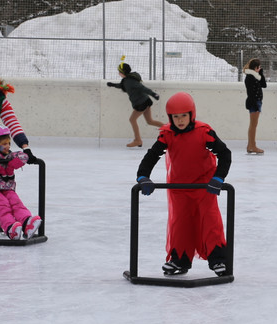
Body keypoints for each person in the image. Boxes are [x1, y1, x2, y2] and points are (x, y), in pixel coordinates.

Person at [136, 92, 232, 276]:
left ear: (191, 114)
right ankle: (180, 260)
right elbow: (152, 155)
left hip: (204, 186)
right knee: (180, 224)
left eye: (183, 116)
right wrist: (143, 176)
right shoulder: (167, 134)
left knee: (210, 221)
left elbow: (224, 154)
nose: (180, 120)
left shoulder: (204, 132)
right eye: (175, 117)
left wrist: (218, 178)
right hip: (179, 187)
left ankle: (218, 260)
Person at [0, 125, 42, 240]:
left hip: (7, 188)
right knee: (3, 206)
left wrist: (12, 165)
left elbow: (22, 156)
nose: (8, 146)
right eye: (4, 144)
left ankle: (27, 223)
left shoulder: (8, 155)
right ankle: (10, 228)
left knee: (17, 204)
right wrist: (2, 170)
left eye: (9, 143)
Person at [107, 58, 164, 148]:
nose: (118, 73)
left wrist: (153, 94)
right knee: (150, 121)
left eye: (119, 71)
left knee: (132, 120)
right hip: (145, 101)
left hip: (141, 104)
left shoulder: (130, 81)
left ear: (123, 72)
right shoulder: (127, 80)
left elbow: (142, 88)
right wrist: (113, 85)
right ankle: (169, 129)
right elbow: (122, 85)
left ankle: (138, 140)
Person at [243, 58, 267, 154]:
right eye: (259, 67)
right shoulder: (250, 77)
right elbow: (251, 93)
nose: (260, 68)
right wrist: (255, 105)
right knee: (253, 125)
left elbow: (264, 85)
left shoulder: (256, 76)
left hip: (257, 102)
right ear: (255, 67)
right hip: (254, 103)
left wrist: (261, 73)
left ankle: (250, 146)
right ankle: (252, 146)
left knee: (253, 125)